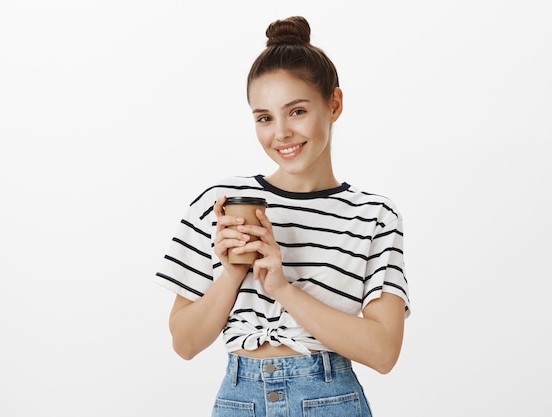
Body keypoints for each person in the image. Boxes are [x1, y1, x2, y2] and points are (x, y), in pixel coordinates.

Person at [155, 15, 411, 417]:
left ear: (334, 104)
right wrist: (232, 272)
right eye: (264, 117)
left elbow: (383, 352)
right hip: (239, 399)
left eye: (296, 111)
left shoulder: (373, 215)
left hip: (330, 400)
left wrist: (283, 289)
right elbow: (184, 344)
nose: (281, 134)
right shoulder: (223, 202)